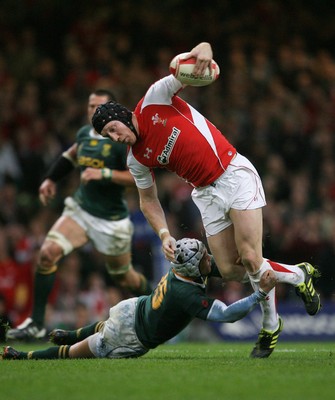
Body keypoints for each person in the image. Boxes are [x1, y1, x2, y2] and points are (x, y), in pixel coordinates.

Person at [90, 42, 322, 358]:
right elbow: (148, 200)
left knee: (252, 258)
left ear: (122, 115)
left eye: (113, 129)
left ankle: (270, 326)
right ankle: (299, 274)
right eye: (109, 137)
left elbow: (193, 58)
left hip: (232, 173)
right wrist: (163, 234)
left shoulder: (154, 100)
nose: (115, 138)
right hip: (206, 193)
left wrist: (205, 53)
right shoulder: (136, 159)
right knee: (230, 269)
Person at [6, 89, 152, 342]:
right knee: (47, 253)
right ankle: (37, 323)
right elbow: (71, 156)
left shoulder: (122, 141)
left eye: (99, 105)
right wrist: (51, 178)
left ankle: (156, 304)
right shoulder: (85, 134)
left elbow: (138, 178)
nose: (93, 110)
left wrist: (104, 174)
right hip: (81, 210)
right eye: (90, 105)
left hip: (112, 219)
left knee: (124, 276)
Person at [1, 238, 278, 360]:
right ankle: (23, 356)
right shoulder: (186, 293)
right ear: (193, 267)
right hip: (131, 334)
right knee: (73, 355)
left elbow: (221, 268)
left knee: (101, 326)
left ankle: (69, 333)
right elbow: (226, 314)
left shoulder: (183, 271)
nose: (209, 259)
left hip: (132, 308)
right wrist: (260, 293)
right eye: (204, 257)